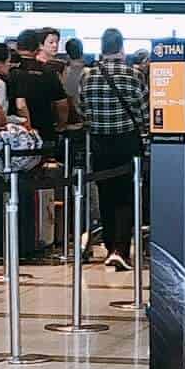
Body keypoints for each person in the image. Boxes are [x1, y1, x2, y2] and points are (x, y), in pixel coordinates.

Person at [79, 27, 147, 270]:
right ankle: (121, 249)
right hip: (127, 142)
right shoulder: (133, 74)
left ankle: (109, 247)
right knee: (126, 197)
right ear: (121, 48)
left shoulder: (88, 76)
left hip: (99, 143)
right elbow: (144, 111)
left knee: (106, 195)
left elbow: (83, 109)